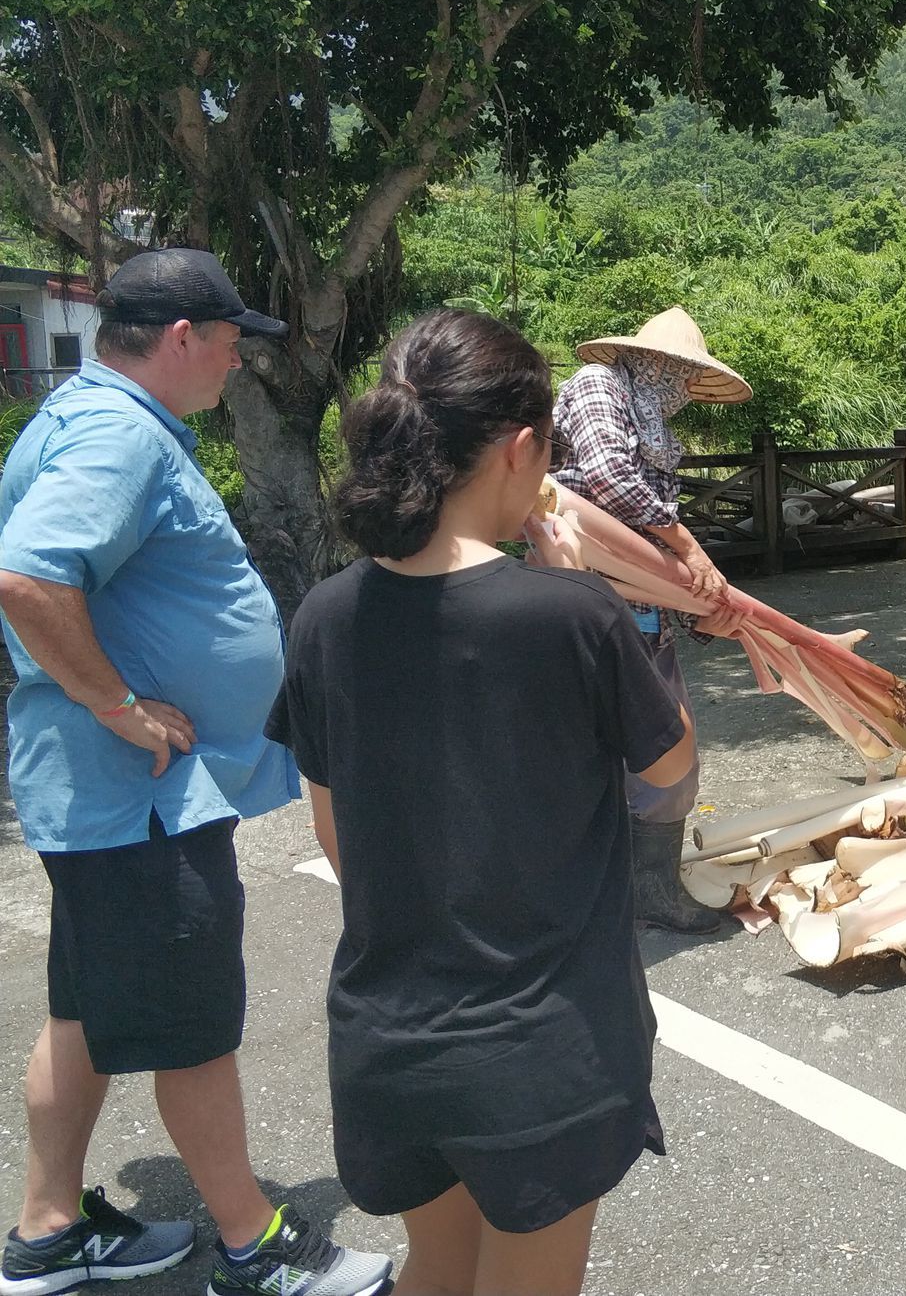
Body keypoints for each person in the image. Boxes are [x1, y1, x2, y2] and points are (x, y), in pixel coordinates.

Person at [266, 308, 696, 1296]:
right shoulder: (573, 614)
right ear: (520, 449)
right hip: (542, 1051)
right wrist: (595, 601)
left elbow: (339, 839)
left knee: (439, 1266)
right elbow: (671, 774)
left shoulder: (325, 615)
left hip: (390, 1041)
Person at [0, 249, 392, 1296]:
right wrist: (115, 703)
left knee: (82, 1015)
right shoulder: (121, 436)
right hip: (140, 802)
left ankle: (46, 1229)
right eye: (229, 341)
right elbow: (30, 575)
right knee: (193, 1025)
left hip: (104, 801)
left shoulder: (84, 418)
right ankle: (251, 1243)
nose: (235, 361)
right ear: (182, 338)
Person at [551, 306, 750, 933]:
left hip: (644, 616)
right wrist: (691, 550)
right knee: (598, 755)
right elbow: (609, 480)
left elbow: (651, 546)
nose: (685, 391)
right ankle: (607, 889)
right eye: (681, 375)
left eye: (693, 382)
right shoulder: (598, 389)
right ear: (652, 362)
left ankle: (650, 888)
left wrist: (699, 613)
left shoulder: (653, 421)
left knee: (663, 756)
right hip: (582, 604)